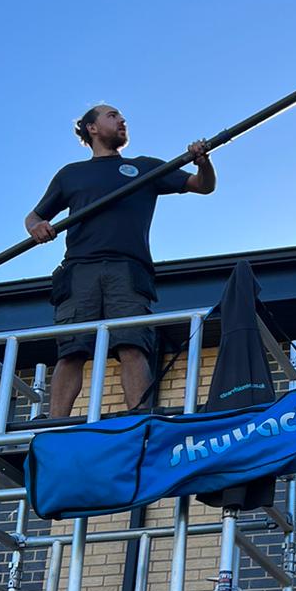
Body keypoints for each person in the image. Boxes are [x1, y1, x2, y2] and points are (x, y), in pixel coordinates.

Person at [26, 104, 216, 418]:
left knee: (132, 345)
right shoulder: (71, 174)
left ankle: (139, 421)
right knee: (72, 350)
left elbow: (203, 186)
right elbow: (34, 216)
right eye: (112, 116)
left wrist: (203, 161)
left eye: (122, 117)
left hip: (128, 269)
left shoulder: (145, 168)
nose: (122, 120)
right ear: (92, 128)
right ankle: (56, 426)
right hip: (80, 269)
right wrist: (37, 227)